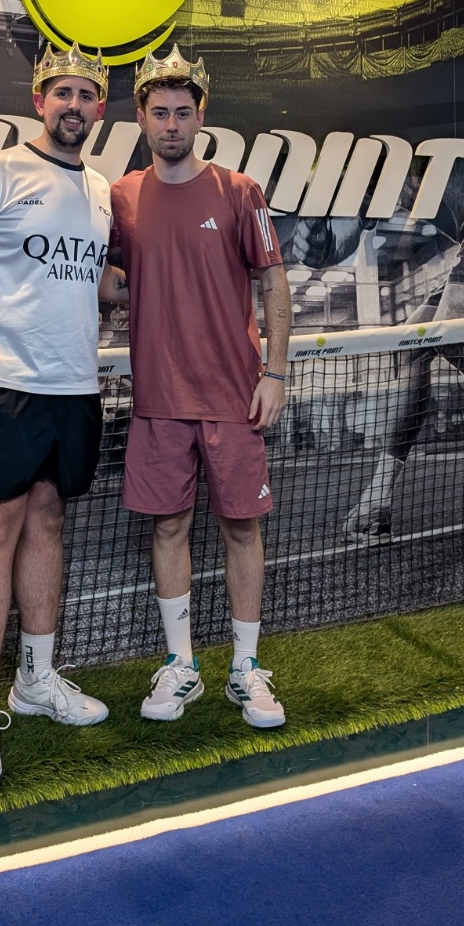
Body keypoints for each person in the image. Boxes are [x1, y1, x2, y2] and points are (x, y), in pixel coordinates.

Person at [0, 42, 119, 784]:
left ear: (100, 109)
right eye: (62, 93)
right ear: (40, 101)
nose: (74, 106)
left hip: (74, 388)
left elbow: (91, 284)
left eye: (86, 95)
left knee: (48, 522)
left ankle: (35, 681)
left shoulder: (100, 190)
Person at [111, 45, 292, 729]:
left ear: (201, 115)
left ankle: (246, 668)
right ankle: (181, 664)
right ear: (141, 118)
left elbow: (273, 283)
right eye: (160, 113)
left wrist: (276, 372)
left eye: (182, 113)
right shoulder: (121, 198)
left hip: (234, 397)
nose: (171, 125)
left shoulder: (241, 192)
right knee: (169, 525)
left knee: (242, 527)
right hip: (159, 400)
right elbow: (105, 279)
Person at [291, 174, 464, 537]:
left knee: (455, 333)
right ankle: (378, 497)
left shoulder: (386, 149)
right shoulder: (371, 170)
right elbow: (352, 220)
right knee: (414, 343)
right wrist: (331, 238)